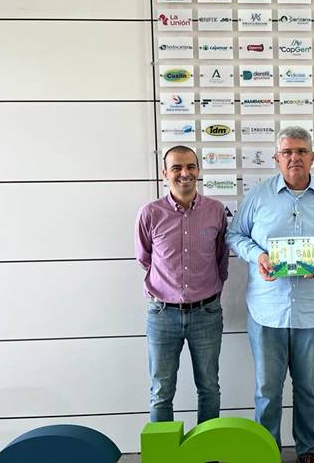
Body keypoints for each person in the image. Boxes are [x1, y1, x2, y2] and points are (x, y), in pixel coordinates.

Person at [226, 127, 314, 463]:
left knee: (307, 388)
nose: (294, 157)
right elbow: (235, 235)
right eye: (287, 152)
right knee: (267, 390)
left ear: (313, 157)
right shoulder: (258, 196)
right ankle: (266, 449)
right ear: (276, 158)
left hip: (311, 311)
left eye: (301, 151)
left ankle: (307, 449)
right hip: (266, 311)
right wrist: (258, 255)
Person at [135, 145, 228, 425]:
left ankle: (206, 449)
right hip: (163, 315)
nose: (184, 173)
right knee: (161, 392)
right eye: (176, 167)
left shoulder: (215, 211)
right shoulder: (150, 213)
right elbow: (144, 258)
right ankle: (166, 449)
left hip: (206, 313)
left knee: (209, 388)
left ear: (198, 170)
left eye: (190, 166)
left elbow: (221, 258)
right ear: (165, 173)